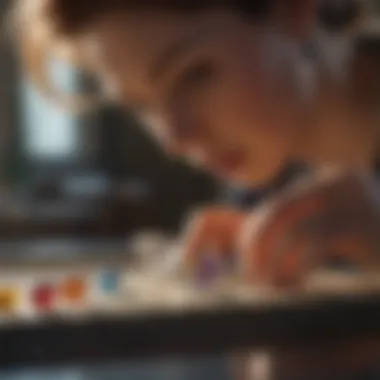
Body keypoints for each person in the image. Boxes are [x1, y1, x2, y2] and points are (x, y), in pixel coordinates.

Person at [10, 0, 380, 379]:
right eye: (141, 105)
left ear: (296, 9)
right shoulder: (266, 186)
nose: (175, 138)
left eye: (193, 75)